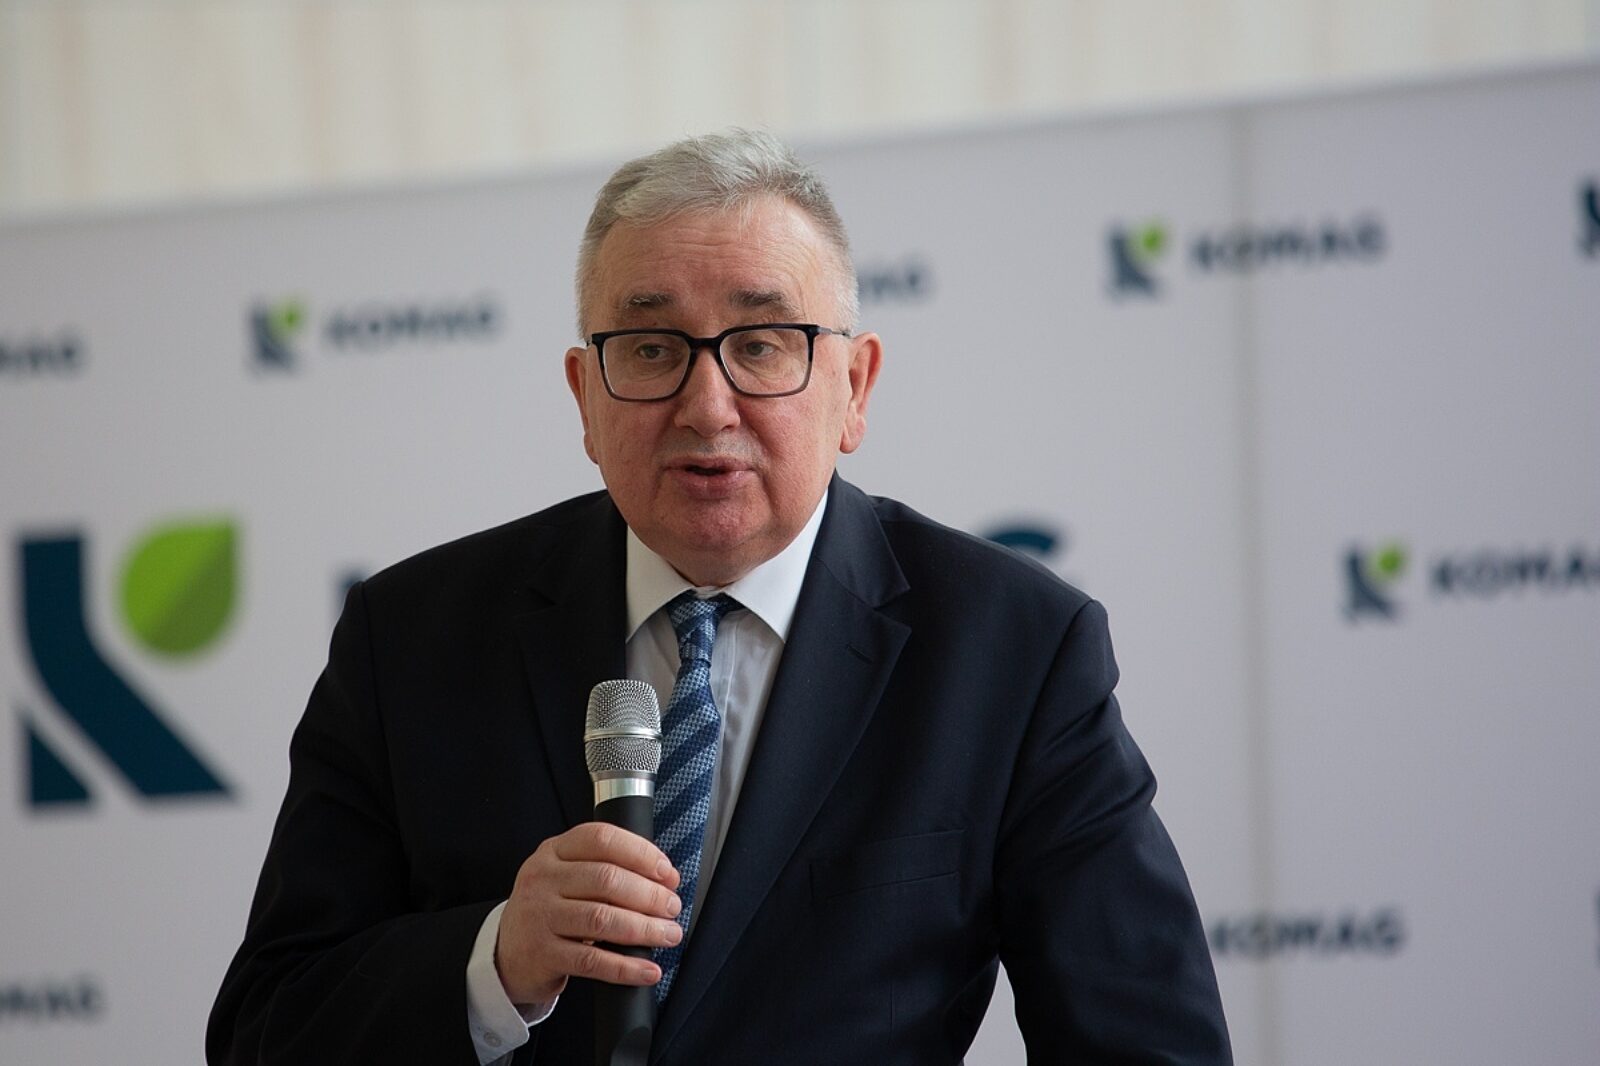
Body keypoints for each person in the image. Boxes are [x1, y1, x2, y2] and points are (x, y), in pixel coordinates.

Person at [208, 129, 1230, 1065]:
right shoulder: (410, 639)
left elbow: (1148, 1046)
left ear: (854, 388)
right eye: (652, 349)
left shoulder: (1011, 651)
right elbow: (265, 1029)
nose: (707, 405)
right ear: (584, 396)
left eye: (761, 343)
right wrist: (495, 962)